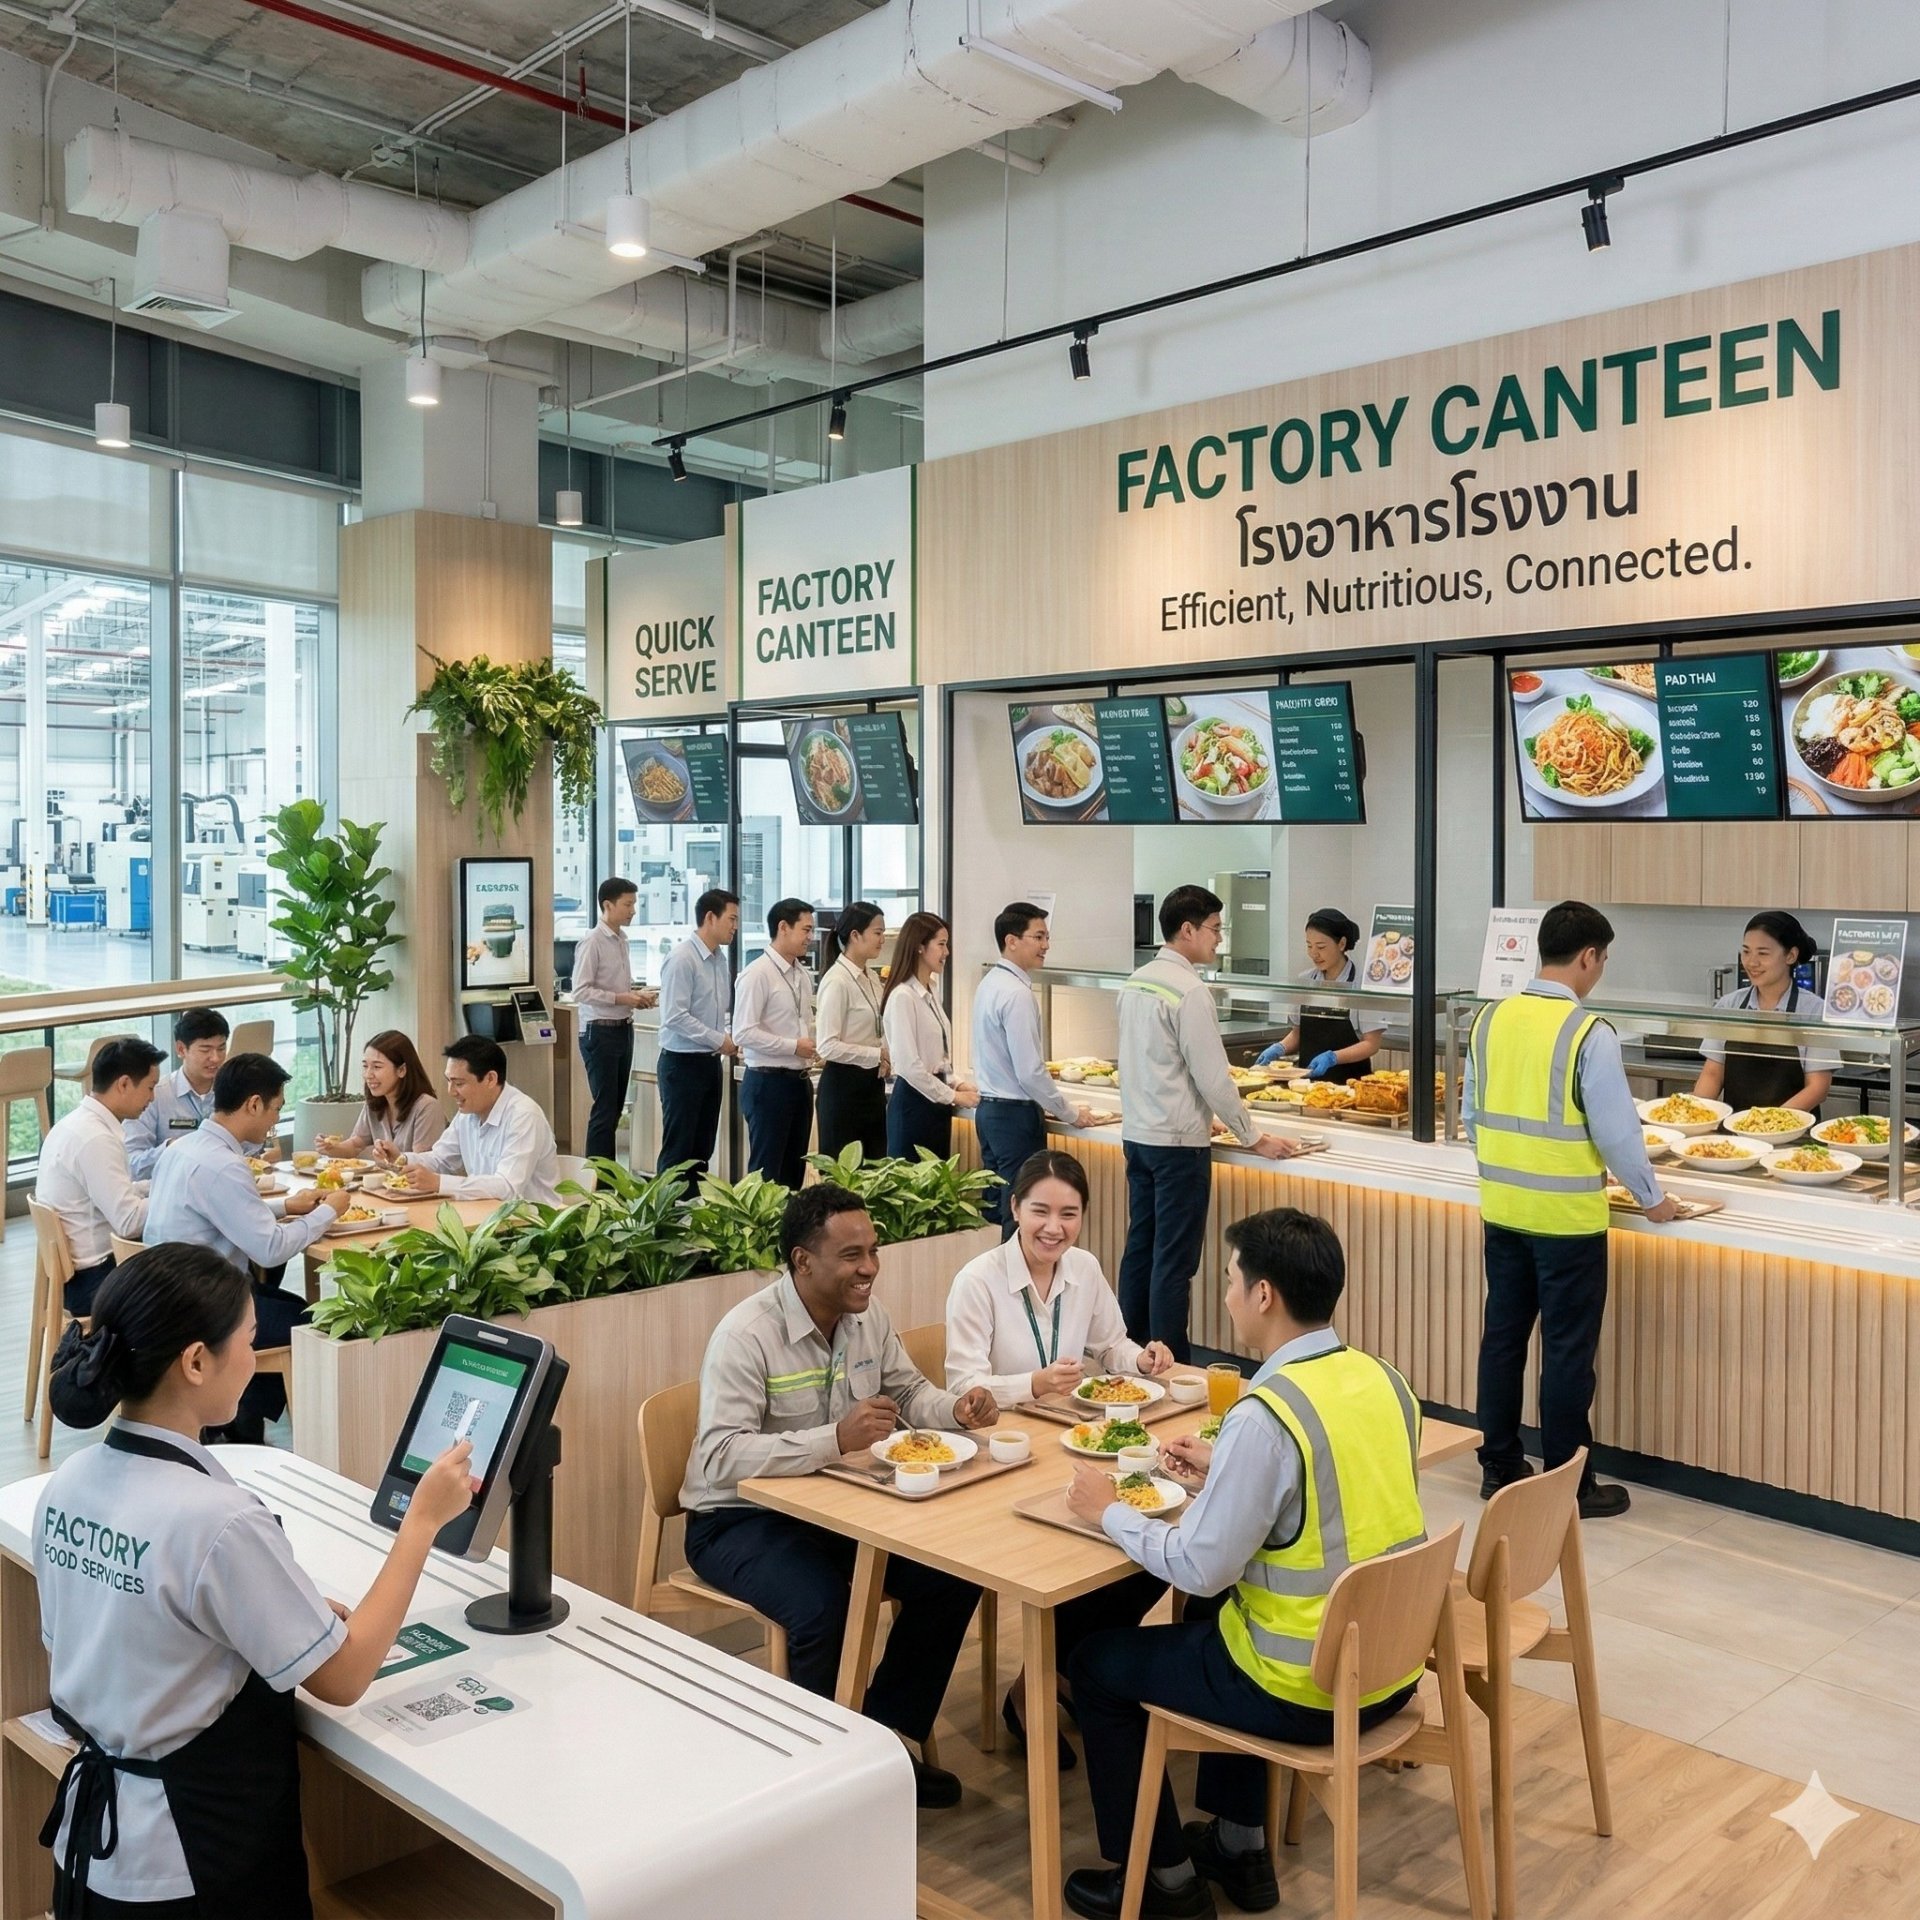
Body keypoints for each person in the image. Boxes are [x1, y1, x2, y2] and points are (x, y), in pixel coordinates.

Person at [33, 1243, 475, 1920]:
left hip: (94, 1858)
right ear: (196, 1361)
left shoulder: (68, 1483)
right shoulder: (219, 1521)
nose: (254, 1354)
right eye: (248, 1337)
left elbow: (126, 1624)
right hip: (195, 1862)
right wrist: (422, 1521)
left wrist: (266, 1615)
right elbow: (344, 1676)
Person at [1060, 1209, 1427, 1920]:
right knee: (1216, 1616)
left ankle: (1163, 1883)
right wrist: (1226, 1475)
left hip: (1303, 1685)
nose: (1225, 1295)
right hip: (1388, 1669)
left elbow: (1199, 1566)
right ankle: (1240, 1846)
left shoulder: (1266, 1414)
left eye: (1230, 1280)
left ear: (1264, 1295)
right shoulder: (1384, 1379)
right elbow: (1336, 1501)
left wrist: (1107, 1510)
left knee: (1096, 1665)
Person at [680, 1184, 999, 1808]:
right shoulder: (747, 1334)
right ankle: (817, 1787)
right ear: (803, 1261)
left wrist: (956, 1411)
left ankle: (882, 1744)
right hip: (735, 1520)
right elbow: (720, 1456)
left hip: (833, 1509)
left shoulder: (867, 1318)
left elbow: (909, 1394)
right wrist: (834, 1439)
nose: (870, 1267)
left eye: (873, 1251)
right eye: (852, 1255)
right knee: (823, 1607)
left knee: (952, 1574)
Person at [945, 1148, 1169, 1768]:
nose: (1054, 1227)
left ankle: (1053, 1678)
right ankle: (1056, 1680)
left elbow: (1110, 1344)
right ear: (1015, 1208)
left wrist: (1140, 1359)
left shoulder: (1085, 1268)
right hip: (1001, 1454)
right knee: (1105, 1549)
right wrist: (1032, 1385)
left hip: (1070, 1444)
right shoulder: (978, 1280)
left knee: (1142, 1550)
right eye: (1040, 1211)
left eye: (1069, 1214)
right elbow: (963, 1386)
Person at [1464, 900, 1676, 1521]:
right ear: (1588, 956)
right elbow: (1616, 1133)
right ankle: (1569, 1485)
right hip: (1567, 1222)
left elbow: (1473, 1116)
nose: (1600, 971)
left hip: (1502, 1209)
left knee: (1503, 1340)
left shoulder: (1489, 1018)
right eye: (1603, 960)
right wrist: (1652, 1198)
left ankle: (1499, 1465)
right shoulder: (1589, 1032)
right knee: (1565, 1353)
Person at [1117, 887, 1297, 1365]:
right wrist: (1252, 1136)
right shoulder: (1190, 991)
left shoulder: (1136, 981)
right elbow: (1212, 1076)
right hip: (1178, 1147)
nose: (1219, 938)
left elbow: (1152, 1065)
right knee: (1173, 1261)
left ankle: (1129, 1355)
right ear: (1188, 930)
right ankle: (1171, 1364)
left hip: (1138, 1136)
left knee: (1141, 1249)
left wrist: (1206, 1117)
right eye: (1215, 929)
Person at [144, 1054, 346, 1442]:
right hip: (205, 1308)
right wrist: (329, 1212)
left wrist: (286, 1206)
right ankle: (256, 1427)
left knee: (290, 1306)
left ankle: (238, 1420)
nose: (275, 1122)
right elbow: (270, 1249)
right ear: (254, 1104)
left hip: (171, 1297)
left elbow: (216, 1212)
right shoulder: (224, 1164)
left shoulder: (184, 1149)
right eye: (276, 1109)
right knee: (315, 1319)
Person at [971, 902, 1093, 1236]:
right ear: (1011, 941)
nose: (1046, 945)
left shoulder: (990, 983)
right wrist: (1070, 1112)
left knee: (996, 1210)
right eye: (1038, 937)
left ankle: (997, 1271)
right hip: (1014, 1117)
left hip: (989, 1111)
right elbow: (1029, 1072)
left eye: (1047, 937)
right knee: (1019, 1214)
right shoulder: (1017, 994)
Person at [34, 1036, 165, 1315]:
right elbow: (128, 1222)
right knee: (194, 1284)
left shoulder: (75, 1124)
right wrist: (175, 1192)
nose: (152, 1098)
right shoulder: (96, 1139)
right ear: (124, 1084)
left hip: (77, 1276)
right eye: (150, 1087)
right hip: (94, 1281)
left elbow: (116, 1193)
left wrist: (157, 1185)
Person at [374, 1036, 560, 1206]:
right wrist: (401, 1158)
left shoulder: (524, 1116)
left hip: (533, 1223)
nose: (451, 1091)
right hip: (486, 1215)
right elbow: (441, 1159)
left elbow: (507, 1188)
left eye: (459, 1083)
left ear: (490, 1079)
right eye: (448, 1081)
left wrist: (439, 1183)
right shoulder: (467, 1113)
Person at [1691, 910, 1837, 1114]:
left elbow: (1818, 1088)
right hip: (1734, 1130)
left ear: (1791, 955)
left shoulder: (1814, 1011)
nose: (1752, 962)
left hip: (1793, 1130)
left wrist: (1768, 1122)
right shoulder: (1729, 1005)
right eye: (1746, 952)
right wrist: (1695, 1114)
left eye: (1763, 953)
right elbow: (1713, 1074)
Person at [571, 876, 662, 1161]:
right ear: (608, 905)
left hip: (623, 1028)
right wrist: (624, 998)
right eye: (627, 904)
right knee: (605, 1110)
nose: (633, 910)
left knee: (614, 1109)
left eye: (634, 904)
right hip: (599, 1032)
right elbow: (580, 990)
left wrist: (636, 996)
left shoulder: (622, 940)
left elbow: (615, 988)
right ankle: (599, 1180)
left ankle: (609, 1177)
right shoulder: (592, 941)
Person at [733, 898, 819, 1189]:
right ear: (783, 927)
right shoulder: (757, 973)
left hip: (799, 1082)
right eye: (806, 929)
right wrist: (792, 1046)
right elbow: (743, 1032)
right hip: (768, 1084)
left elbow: (803, 1021)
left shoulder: (801, 975)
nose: (810, 937)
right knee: (766, 1175)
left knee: (794, 1174)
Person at [657, 887, 739, 1188]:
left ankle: (693, 1209)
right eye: (731, 919)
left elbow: (715, 1011)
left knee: (702, 1149)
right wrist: (719, 1040)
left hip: (709, 1063)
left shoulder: (719, 959)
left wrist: (726, 1037)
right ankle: (668, 1211)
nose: (735, 926)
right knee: (679, 1151)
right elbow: (674, 1016)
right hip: (682, 1065)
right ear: (710, 917)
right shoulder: (682, 959)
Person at [882, 911, 976, 1161]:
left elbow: (937, 1057)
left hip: (936, 1104)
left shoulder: (931, 989)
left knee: (937, 1179)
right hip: (913, 1105)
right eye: (941, 944)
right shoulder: (903, 996)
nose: (947, 952)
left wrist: (956, 1083)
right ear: (920, 947)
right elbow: (909, 1066)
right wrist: (954, 1096)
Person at [1254, 908, 1386, 1083]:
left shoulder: (1362, 985)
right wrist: (1279, 1048)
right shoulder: (1305, 981)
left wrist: (1333, 1057)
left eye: (1321, 947)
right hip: (1307, 1084)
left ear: (1342, 944)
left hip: (1351, 1084)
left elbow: (1372, 1044)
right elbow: (1297, 1033)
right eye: (1309, 946)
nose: (1313, 954)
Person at [813, 901, 890, 1161]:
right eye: (877, 932)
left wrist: (885, 1054)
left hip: (872, 1087)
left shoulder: (872, 978)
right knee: (844, 1175)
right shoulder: (837, 981)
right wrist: (876, 1054)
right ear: (855, 935)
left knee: (875, 1172)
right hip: (843, 1091)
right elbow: (826, 1046)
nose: (882, 939)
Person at [123, 1008, 229, 1181]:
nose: (216, 1058)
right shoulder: (154, 1096)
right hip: (172, 1188)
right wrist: (171, 1149)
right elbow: (132, 1165)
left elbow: (251, 1151)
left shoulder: (232, 1090)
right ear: (181, 1049)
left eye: (221, 1048)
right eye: (205, 1050)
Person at [311, 1031, 448, 1157]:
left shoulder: (427, 1107)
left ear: (401, 1070)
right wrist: (331, 1147)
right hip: (385, 1176)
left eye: (377, 1067)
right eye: (365, 1066)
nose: (368, 1075)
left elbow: (422, 1163)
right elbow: (356, 1145)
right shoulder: (375, 1103)